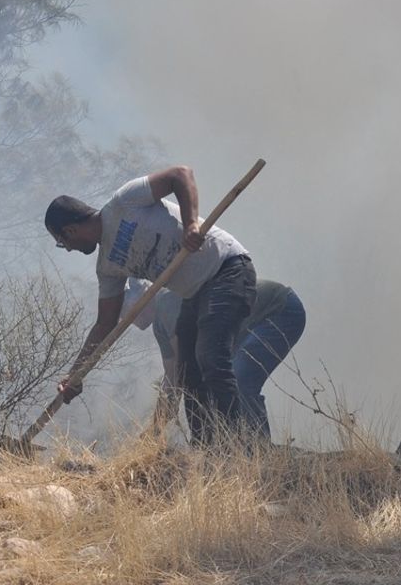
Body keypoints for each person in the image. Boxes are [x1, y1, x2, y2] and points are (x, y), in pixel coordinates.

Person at [45, 166, 257, 445]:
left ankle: (236, 449)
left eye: (62, 242)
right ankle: (208, 452)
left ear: (70, 230)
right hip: (195, 295)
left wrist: (191, 224)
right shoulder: (108, 268)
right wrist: (76, 374)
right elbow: (105, 323)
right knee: (187, 373)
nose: (68, 248)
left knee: (210, 356)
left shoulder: (124, 201)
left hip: (227, 270)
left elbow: (181, 174)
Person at [127, 278, 306, 441]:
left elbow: (184, 369)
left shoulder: (167, 301)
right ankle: (242, 449)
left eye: (124, 308)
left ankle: (260, 454)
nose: (123, 318)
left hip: (278, 310)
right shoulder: (160, 325)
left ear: (142, 296)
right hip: (254, 323)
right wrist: (155, 430)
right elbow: (172, 379)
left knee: (239, 380)